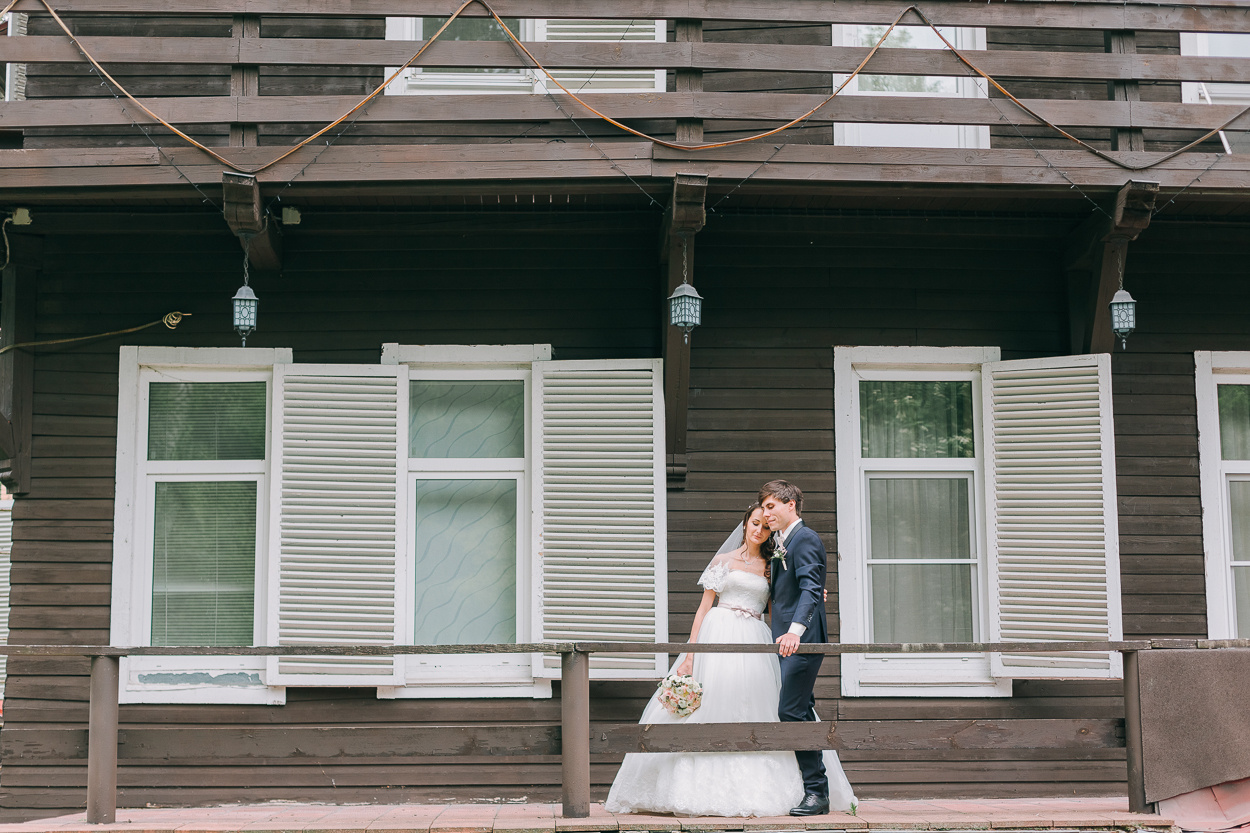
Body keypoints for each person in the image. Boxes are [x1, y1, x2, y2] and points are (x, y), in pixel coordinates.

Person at [604, 503, 855, 817]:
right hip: (718, 635)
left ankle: (791, 789)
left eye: (766, 527)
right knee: (708, 706)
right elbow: (703, 609)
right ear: (746, 524)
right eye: (754, 524)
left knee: (761, 706)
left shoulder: (773, 566)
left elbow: (788, 600)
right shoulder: (722, 561)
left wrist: (818, 595)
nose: (759, 531)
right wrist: (689, 656)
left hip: (754, 640)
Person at [759, 479, 833, 816]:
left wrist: (795, 632)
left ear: (791, 505)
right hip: (787, 640)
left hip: (801, 642)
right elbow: (795, 590)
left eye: (771, 506)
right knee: (801, 708)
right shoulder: (781, 542)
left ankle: (817, 792)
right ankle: (816, 792)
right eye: (763, 507)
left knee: (790, 711)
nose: (765, 513)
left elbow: (810, 588)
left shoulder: (804, 538)